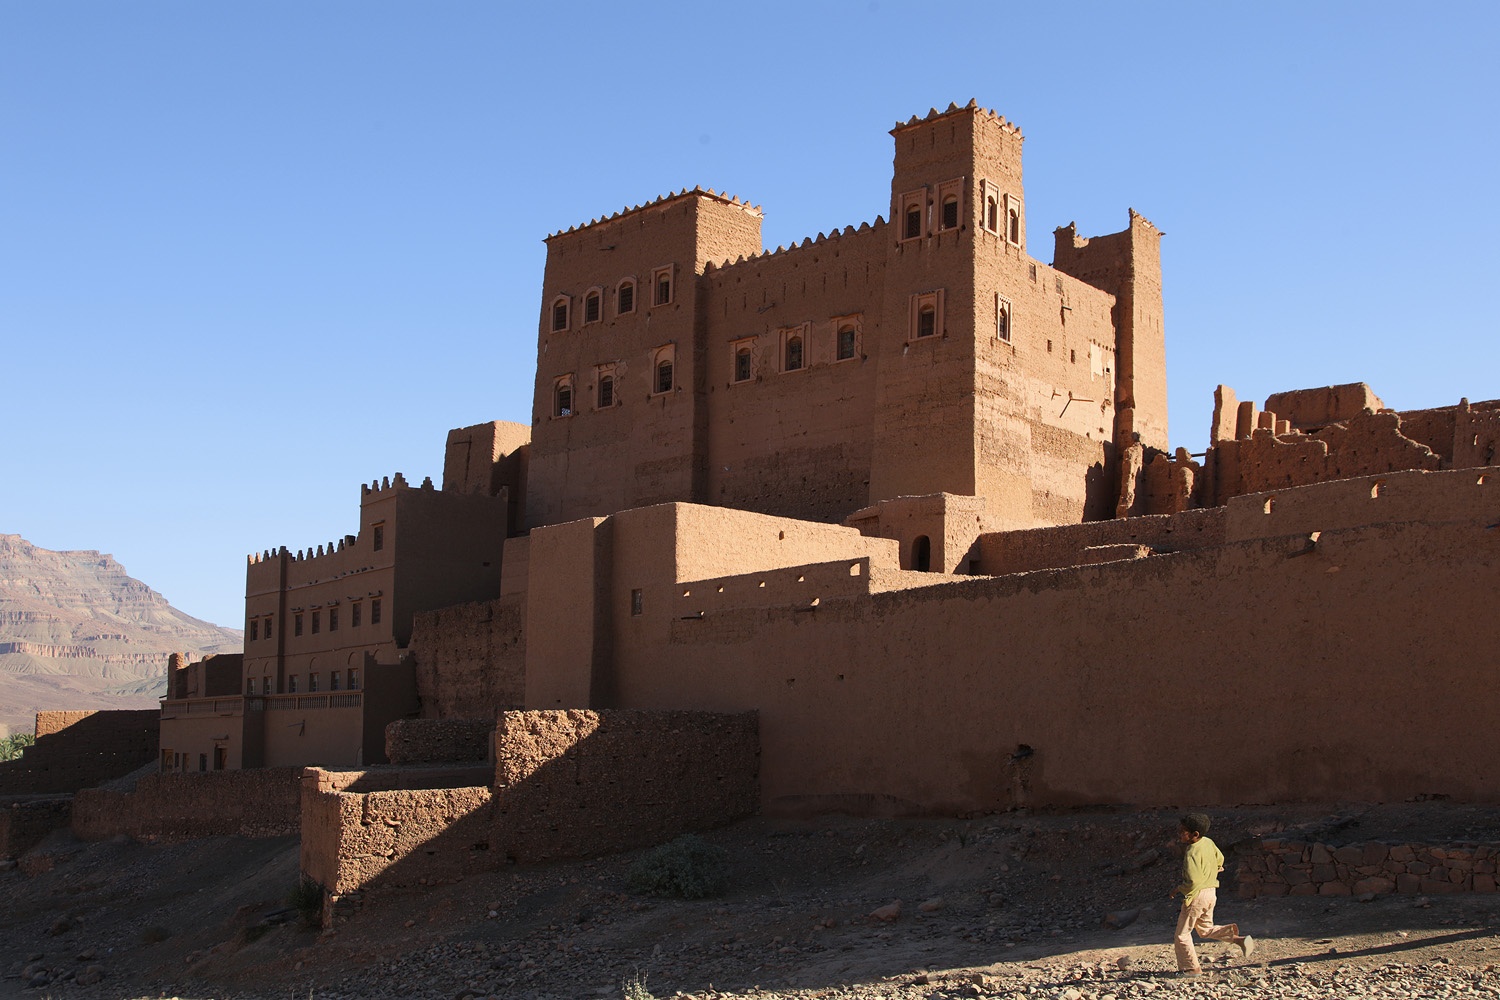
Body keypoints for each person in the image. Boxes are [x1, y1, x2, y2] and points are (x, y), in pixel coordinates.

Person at [1170, 813, 1254, 976]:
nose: (1180, 834)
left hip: (1196, 897)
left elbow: (1192, 882)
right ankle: (1240, 940)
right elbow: (1220, 858)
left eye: (1183, 831)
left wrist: (1178, 889)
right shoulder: (1208, 842)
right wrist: (1214, 869)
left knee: (1182, 935)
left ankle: (1190, 968)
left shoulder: (1191, 852)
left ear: (1195, 834)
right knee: (1205, 929)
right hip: (1211, 894)